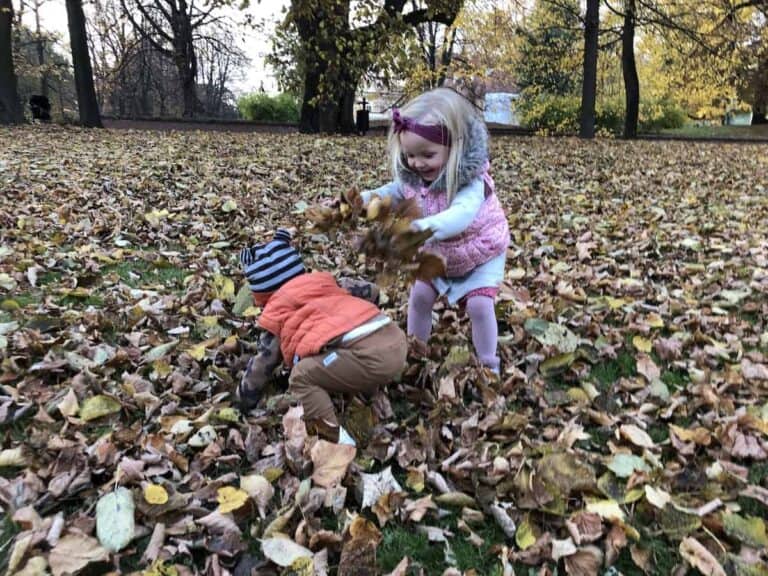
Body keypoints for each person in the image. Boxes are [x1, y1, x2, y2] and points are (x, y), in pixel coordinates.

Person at [362, 88, 510, 373]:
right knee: (419, 297)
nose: (417, 163)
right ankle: (416, 349)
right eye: (410, 156)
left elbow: (461, 216)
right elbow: (392, 192)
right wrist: (363, 199)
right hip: (441, 254)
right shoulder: (416, 176)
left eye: (427, 155)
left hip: (481, 252)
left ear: (454, 147)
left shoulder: (472, 182)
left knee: (479, 306)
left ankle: (489, 365)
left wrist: (418, 228)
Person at [237, 229, 407, 446]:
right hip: (394, 339)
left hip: (369, 359)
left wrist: (242, 400)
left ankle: (334, 441)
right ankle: (364, 383)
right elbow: (372, 290)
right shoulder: (329, 284)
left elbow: (262, 366)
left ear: (261, 294)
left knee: (301, 375)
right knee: (338, 351)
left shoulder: (276, 313)